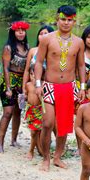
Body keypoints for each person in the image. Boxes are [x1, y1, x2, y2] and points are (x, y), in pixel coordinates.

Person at [34, 5, 86, 171]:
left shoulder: (78, 42)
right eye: (63, 19)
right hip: (49, 85)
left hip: (69, 87)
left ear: (74, 21)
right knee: (48, 123)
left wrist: (82, 86)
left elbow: (81, 66)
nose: (66, 23)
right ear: (57, 20)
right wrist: (37, 83)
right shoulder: (46, 39)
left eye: (69, 20)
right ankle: (46, 159)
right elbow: (39, 63)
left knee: (63, 124)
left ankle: (57, 157)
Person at [0, 21, 30, 153]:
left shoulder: (27, 47)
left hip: (22, 83)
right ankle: (0, 143)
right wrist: (8, 87)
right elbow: (5, 68)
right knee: (8, 112)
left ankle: (14, 140)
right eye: (18, 30)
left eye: (23, 30)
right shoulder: (8, 48)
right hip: (10, 82)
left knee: (18, 112)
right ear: (13, 32)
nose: (21, 32)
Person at [22, 25, 54, 160]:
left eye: (46, 34)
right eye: (41, 33)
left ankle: (43, 147)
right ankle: (34, 148)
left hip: (46, 87)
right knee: (34, 127)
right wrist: (24, 87)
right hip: (32, 88)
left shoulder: (53, 51)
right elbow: (26, 70)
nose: (43, 36)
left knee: (47, 123)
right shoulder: (33, 51)